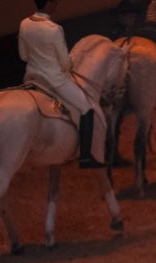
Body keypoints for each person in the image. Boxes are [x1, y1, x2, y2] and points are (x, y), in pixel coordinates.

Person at [18, 0, 105, 167]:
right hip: (54, 80)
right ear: (49, 4)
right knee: (87, 108)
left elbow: (23, 55)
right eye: (55, 2)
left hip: (32, 77)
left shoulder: (24, 23)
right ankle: (85, 156)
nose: (56, 5)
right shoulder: (54, 28)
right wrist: (69, 64)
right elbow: (65, 64)